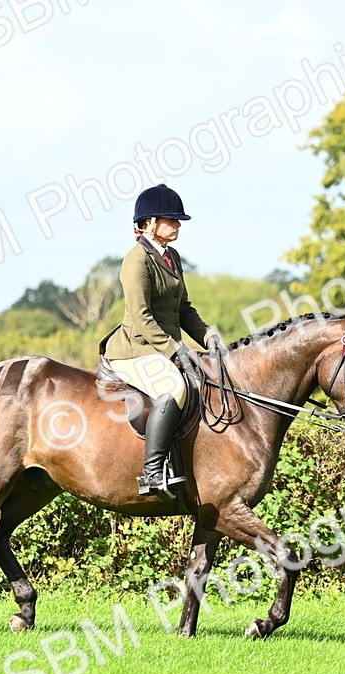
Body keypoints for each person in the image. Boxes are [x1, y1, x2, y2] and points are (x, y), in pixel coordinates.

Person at [103, 184, 224, 497]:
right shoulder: (136, 261)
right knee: (174, 386)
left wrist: (208, 336)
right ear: (150, 223)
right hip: (133, 350)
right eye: (171, 220)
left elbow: (183, 309)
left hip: (159, 347)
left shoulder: (172, 257)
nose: (178, 225)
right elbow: (141, 317)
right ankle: (153, 472)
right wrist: (176, 351)